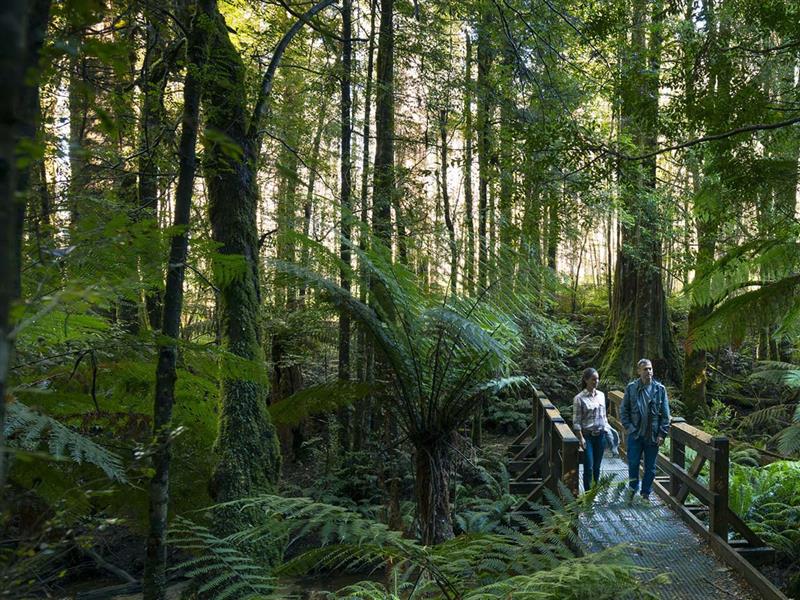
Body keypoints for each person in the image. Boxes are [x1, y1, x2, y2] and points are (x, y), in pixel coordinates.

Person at [620, 358, 671, 502]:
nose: (648, 371)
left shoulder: (660, 389)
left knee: (650, 467)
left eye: (650, 369)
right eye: (645, 369)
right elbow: (624, 410)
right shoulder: (631, 388)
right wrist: (629, 428)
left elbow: (666, 415)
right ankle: (632, 488)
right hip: (635, 434)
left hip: (652, 435)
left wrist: (662, 433)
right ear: (639, 371)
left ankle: (645, 494)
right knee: (633, 463)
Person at [572, 367, 609, 491]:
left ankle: (594, 493)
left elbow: (604, 416)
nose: (596, 382)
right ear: (586, 380)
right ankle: (588, 494)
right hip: (587, 436)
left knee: (597, 467)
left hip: (601, 436)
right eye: (593, 379)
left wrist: (608, 431)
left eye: (597, 379)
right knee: (588, 467)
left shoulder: (602, 395)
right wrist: (581, 438)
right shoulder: (579, 398)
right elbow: (576, 421)